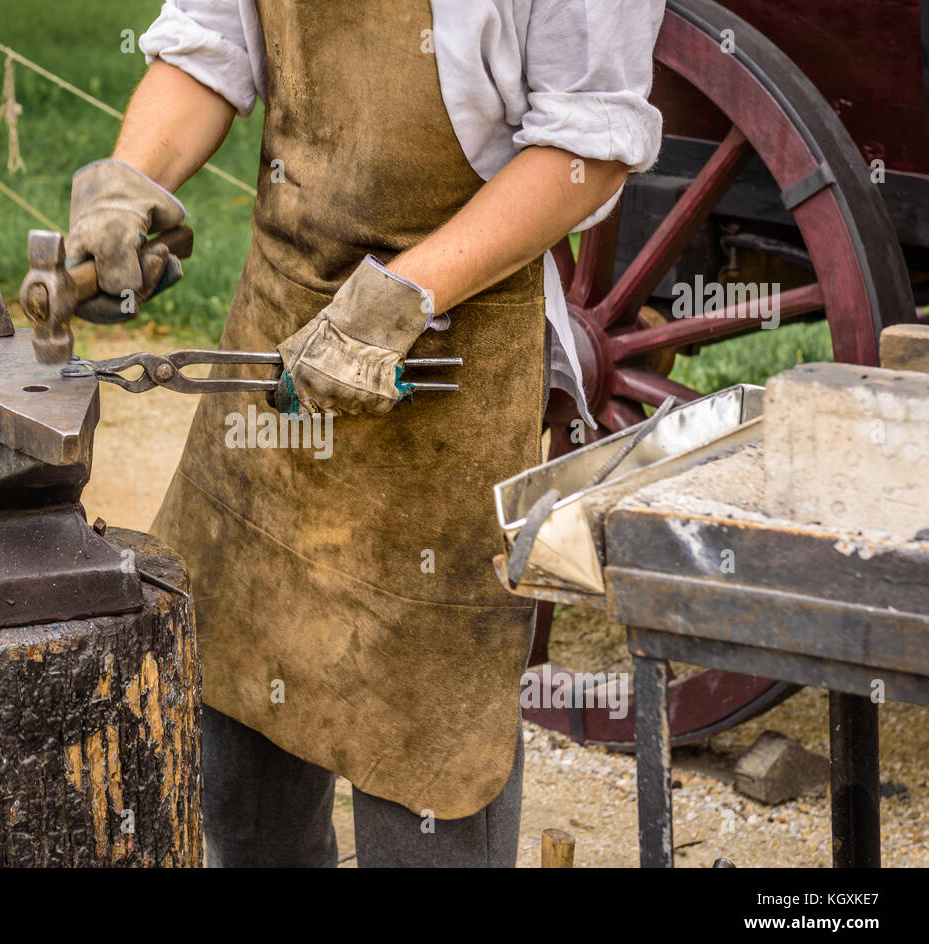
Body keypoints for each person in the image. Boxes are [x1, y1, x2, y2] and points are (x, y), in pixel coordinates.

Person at [64, 0, 665, 866]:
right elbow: (212, 40)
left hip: (446, 371)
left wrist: (404, 293)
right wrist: (131, 180)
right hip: (276, 334)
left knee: (426, 776)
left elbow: (589, 147)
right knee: (235, 736)